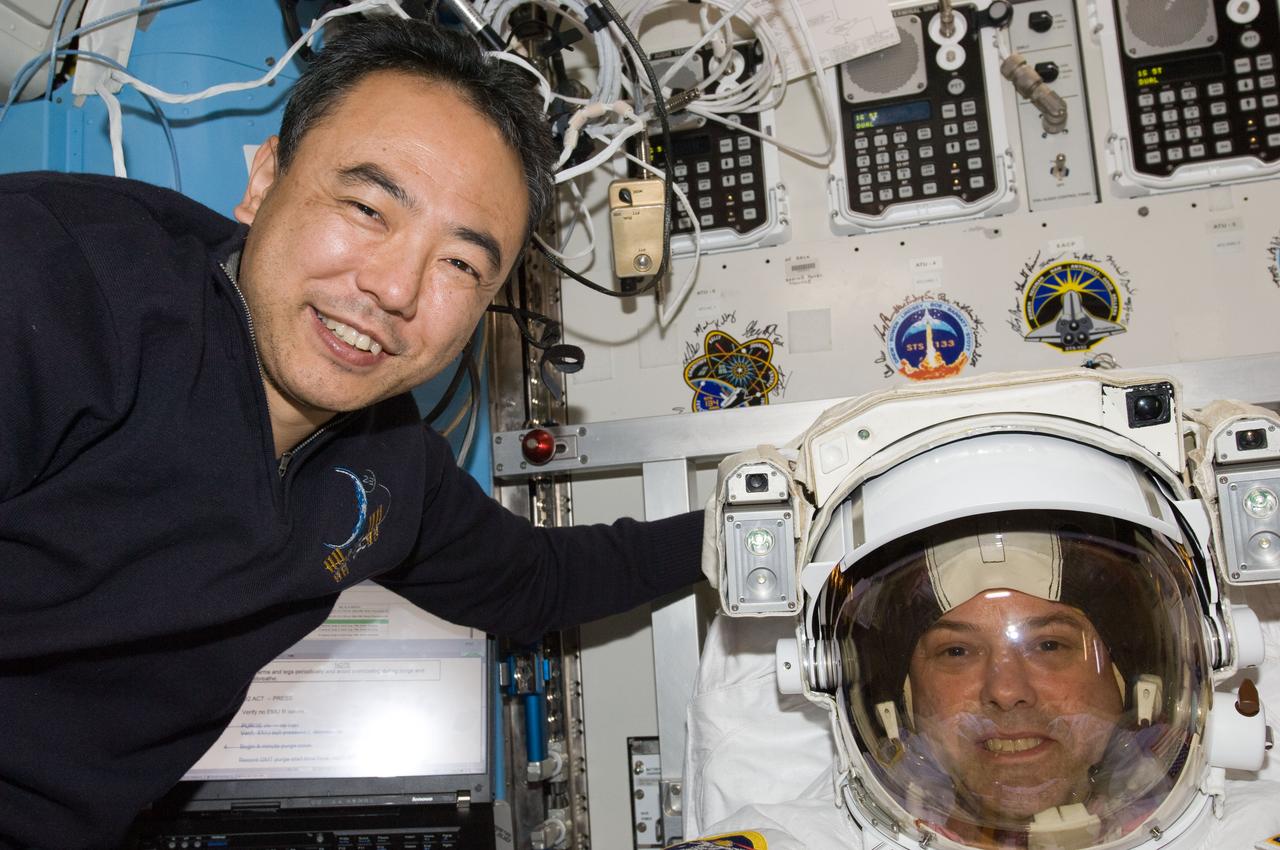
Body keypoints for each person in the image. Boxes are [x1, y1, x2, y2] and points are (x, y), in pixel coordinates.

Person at [0, 15, 703, 849]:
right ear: (265, 180)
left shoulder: (388, 466)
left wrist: (748, 534)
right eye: (369, 208)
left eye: (461, 264)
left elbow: (538, 581)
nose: (395, 288)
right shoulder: (55, 284)